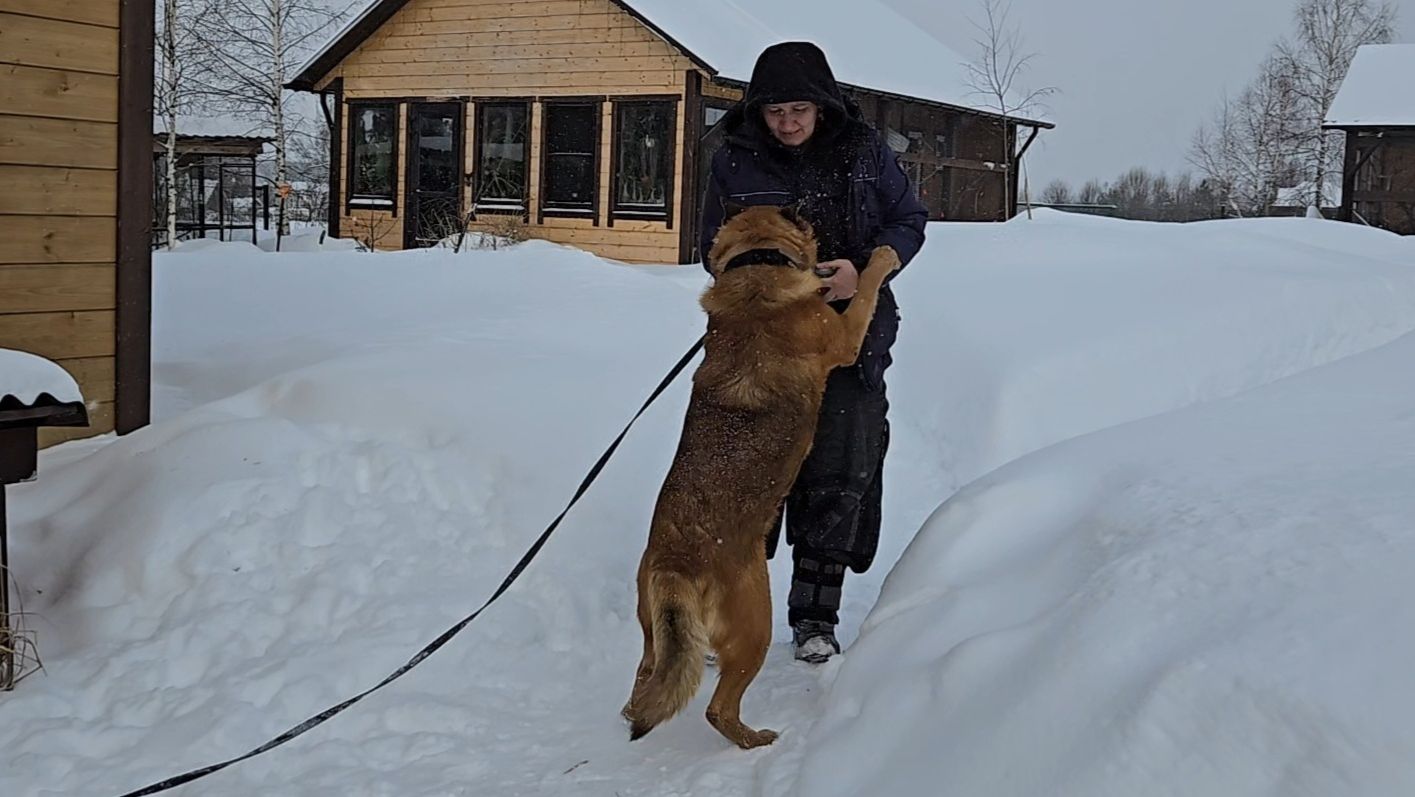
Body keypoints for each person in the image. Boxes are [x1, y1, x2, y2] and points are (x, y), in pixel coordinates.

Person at [698, 41, 928, 663]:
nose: (788, 123)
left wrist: (860, 272)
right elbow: (711, 245)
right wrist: (765, 280)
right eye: (775, 111)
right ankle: (734, 612)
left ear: (822, 106)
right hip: (760, 348)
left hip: (849, 343)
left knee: (840, 470)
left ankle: (815, 618)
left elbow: (908, 221)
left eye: (799, 109)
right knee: (751, 476)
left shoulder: (862, 151)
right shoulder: (734, 158)